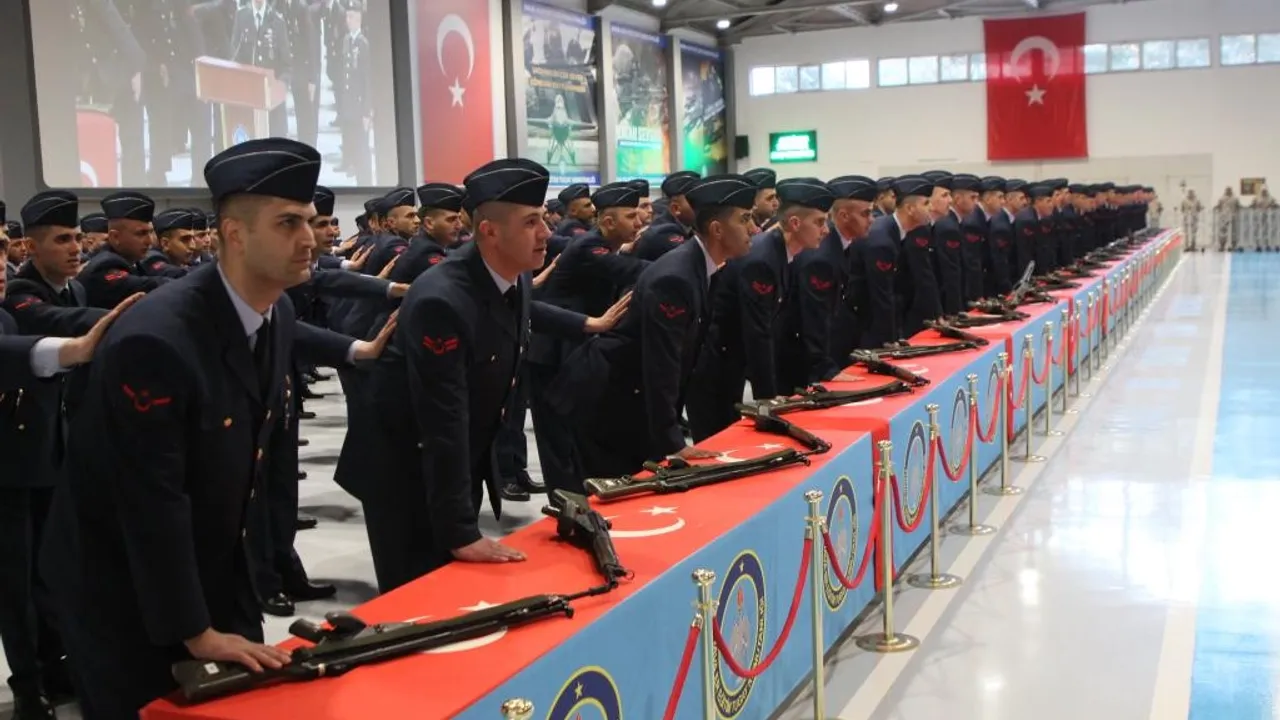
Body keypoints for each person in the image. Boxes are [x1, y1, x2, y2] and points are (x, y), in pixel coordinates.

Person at [38, 138, 385, 718]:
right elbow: (150, 500)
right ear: (234, 234)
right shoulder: (158, 340)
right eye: (288, 223)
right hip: (120, 587)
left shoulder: (277, 310)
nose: (310, 238)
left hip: (210, 565)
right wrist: (194, 629)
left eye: (309, 221)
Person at [363, 158, 628, 594]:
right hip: (405, 473)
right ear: (489, 231)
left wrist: (585, 323)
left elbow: (524, 313)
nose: (545, 233)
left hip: (455, 459)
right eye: (530, 222)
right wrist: (460, 531)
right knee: (420, 600)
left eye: (542, 219)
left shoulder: (510, 274)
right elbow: (442, 420)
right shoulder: (441, 300)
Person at [0, 191, 142, 720]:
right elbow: (58, 325)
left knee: (53, 568)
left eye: (78, 237)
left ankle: (53, 662)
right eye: (62, 239)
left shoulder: (71, 285)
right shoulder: (21, 294)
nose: (76, 247)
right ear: (31, 248)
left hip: (48, 448)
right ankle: (27, 682)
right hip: (8, 464)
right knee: (15, 581)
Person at [557, 174, 756, 477]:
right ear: (717, 229)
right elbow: (661, 362)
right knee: (617, 494)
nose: (753, 229)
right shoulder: (676, 278)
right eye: (745, 219)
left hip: (632, 396)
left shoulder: (701, 266)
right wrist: (672, 441)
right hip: (609, 400)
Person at [686, 177, 840, 442]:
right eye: (819, 222)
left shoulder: (782, 254)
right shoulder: (764, 259)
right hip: (711, 366)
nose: (825, 230)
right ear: (795, 223)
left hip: (731, 361)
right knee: (717, 443)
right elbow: (758, 331)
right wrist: (767, 398)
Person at [529, 181, 649, 495]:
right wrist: (685, 263)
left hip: (576, 345)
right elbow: (630, 270)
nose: (639, 222)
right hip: (554, 350)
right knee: (559, 437)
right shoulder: (589, 247)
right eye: (631, 216)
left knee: (580, 431)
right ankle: (566, 502)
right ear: (608, 221)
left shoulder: (605, 244)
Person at [79, 191, 171, 308]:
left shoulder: (134, 261)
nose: (149, 241)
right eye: (141, 233)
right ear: (115, 237)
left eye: (150, 232)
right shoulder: (104, 266)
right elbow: (147, 286)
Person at [632, 171, 700, 260]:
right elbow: (697, 259)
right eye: (695, 201)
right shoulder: (663, 232)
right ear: (676, 208)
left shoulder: (689, 226)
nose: (703, 205)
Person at [742, 167, 778, 232]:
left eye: (776, 197)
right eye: (770, 198)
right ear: (753, 203)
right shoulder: (744, 229)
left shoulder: (765, 224)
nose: (776, 204)